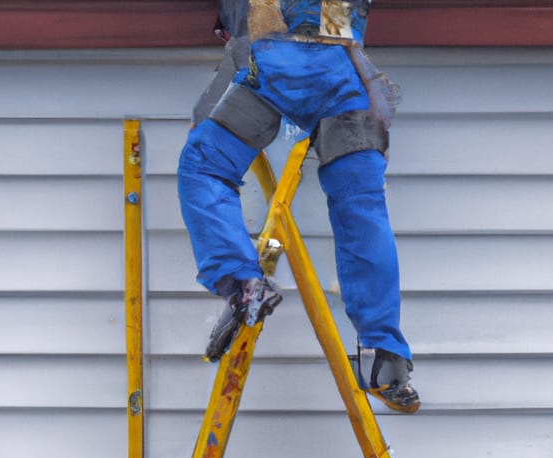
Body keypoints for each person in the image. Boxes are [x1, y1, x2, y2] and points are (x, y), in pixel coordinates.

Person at [178, 0, 420, 413]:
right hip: (346, 69)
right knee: (361, 207)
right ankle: (385, 356)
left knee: (205, 166)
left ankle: (243, 286)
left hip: (272, 57)